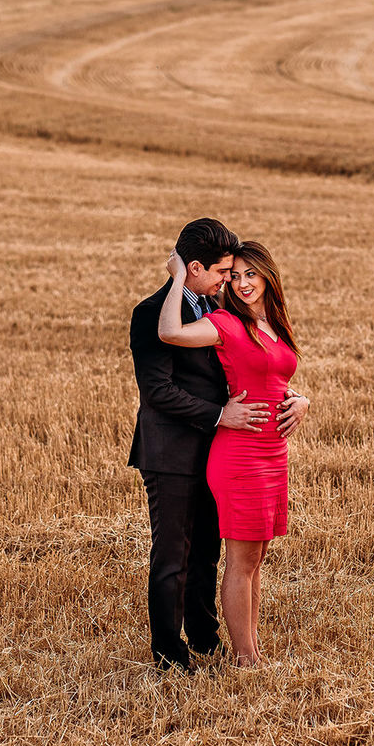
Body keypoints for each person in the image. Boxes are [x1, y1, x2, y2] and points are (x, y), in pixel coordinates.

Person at [129, 219, 307, 673]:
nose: (231, 278)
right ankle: (170, 656)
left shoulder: (219, 307)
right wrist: (218, 415)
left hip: (220, 449)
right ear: (193, 268)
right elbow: (157, 391)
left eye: (238, 271)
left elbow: (255, 368)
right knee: (173, 557)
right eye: (223, 270)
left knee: (208, 553)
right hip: (171, 452)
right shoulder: (152, 312)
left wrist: (295, 398)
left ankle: (207, 641)